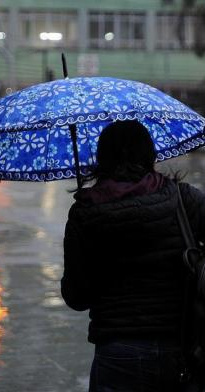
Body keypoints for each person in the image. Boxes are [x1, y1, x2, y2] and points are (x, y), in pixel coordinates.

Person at [61, 120, 205, 392]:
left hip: (117, 353)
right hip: (183, 347)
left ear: (101, 159)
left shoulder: (85, 213)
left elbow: (76, 297)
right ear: (150, 154)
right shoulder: (185, 200)